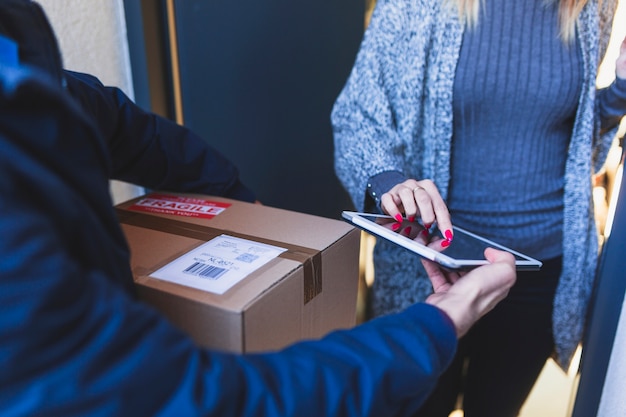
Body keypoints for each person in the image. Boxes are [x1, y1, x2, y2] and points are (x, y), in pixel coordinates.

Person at [0, 1, 517, 416]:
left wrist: (242, 206)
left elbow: (112, 122)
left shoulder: (20, 56)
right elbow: (211, 399)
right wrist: (435, 324)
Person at [331, 0, 626, 415]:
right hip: (428, 269)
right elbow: (358, 114)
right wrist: (390, 182)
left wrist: (620, 90)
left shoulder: (592, 6)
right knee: (417, 406)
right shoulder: (417, 5)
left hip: (539, 272)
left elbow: (573, 133)